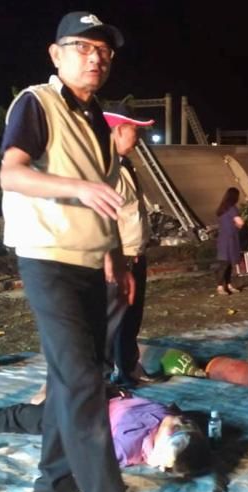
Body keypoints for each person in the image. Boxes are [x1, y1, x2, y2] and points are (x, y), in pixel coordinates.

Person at [0, 11, 167, 492]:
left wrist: (116, 257)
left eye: (104, 52)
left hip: (91, 263)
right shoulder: (36, 104)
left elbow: (104, 198)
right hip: (48, 260)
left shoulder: (96, 118)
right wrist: (77, 188)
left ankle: (54, 483)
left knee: (78, 374)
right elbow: (11, 173)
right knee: (83, 384)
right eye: (83, 47)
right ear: (56, 54)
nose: (95, 58)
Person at [0, 390, 208, 474]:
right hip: (99, 394)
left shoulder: (129, 446)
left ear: (162, 453)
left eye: (177, 429)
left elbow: (88, 459)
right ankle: (47, 394)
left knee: (18, 416)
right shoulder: (166, 416)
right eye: (186, 423)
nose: (180, 422)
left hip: (72, 418)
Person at [103, 103, 156, 386]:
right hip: (118, 258)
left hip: (135, 254)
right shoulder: (104, 167)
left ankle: (128, 367)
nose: (138, 136)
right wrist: (110, 258)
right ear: (118, 130)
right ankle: (107, 378)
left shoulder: (125, 164)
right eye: (135, 130)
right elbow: (101, 217)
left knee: (132, 317)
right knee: (113, 320)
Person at [215, 187, 244, 296]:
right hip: (230, 239)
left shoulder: (222, 209)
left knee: (226, 263)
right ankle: (220, 286)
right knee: (225, 264)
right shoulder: (232, 208)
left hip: (222, 238)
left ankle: (227, 285)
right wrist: (237, 226)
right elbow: (240, 222)